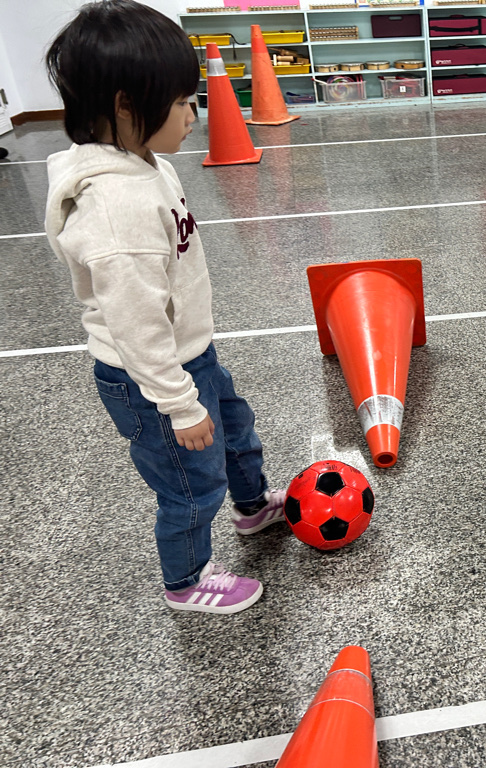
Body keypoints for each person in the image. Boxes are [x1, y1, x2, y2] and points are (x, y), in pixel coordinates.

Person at [45, 0, 286, 614]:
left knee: (235, 433)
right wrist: (178, 404)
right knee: (190, 484)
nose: (193, 115)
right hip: (149, 377)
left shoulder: (151, 167)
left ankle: (253, 507)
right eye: (182, 103)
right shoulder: (115, 210)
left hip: (189, 354)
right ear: (126, 105)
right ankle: (186, 580)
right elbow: (136, 323)